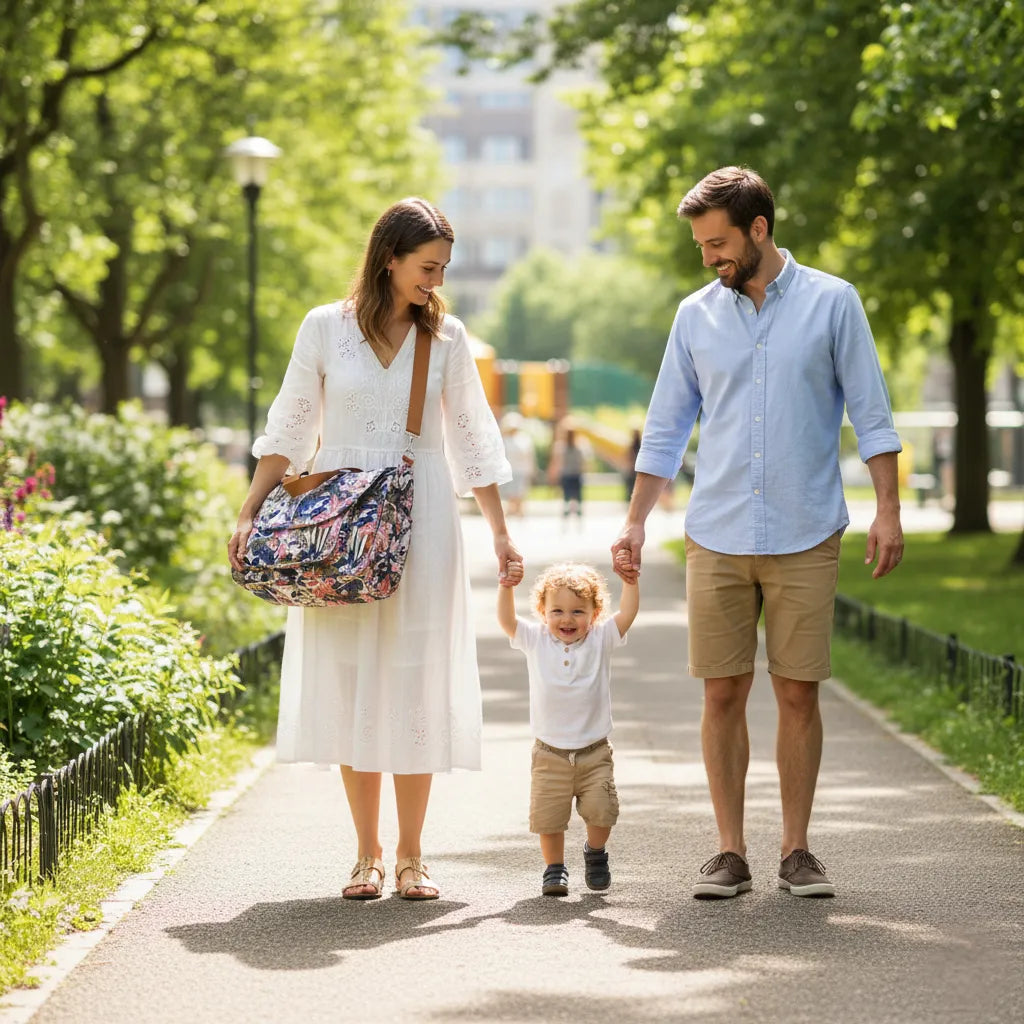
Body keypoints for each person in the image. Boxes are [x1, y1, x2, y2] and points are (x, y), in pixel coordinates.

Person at [611, 166, 904, 900]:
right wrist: (637, 521)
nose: (709, 257)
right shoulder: (694, 316)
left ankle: (797, 850)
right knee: (721, 695)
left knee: (799, 693)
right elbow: (666, 427)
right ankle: (729, 851)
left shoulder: (834, 304)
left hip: (807, 530)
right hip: (716, 532)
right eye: (702, 246)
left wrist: (889, 509)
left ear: (759, 230)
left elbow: (872, 414)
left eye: (717, 243)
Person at [228, 198, 522, 901]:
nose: (436, 280)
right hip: (338, 530)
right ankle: (366, 855)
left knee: (416, 677)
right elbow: (289, 428)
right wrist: (248, 513)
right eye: (427, 266)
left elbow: (474, 440)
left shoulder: (445, 337)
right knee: (354, 679)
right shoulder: (324, 329)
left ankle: (415, 856)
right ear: (388, 257)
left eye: (443, 269)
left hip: (422, 523)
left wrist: (502, 534)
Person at [497, 558, 639, 897]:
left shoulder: (602, 638)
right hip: (550, 754)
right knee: (549, 819)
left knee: (602, 813)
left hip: (594, 752)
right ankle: (554, 868)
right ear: (543, 612)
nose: (567, 619)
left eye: (578, 611)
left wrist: (631, 581)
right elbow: (506, 620)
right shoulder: (534, 639)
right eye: (557, 611)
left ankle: (595, 852)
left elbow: (629, 613)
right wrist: (506, 586)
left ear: (595, 613)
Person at [499, 412, 536, 517]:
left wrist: (532, 470)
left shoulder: (525, 439)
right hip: (509, 471)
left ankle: (519, 513)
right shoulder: (504, 440)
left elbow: (529, 456)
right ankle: (511, 511)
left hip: (521, 471)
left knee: (520, 493)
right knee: (510, 494)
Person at [547, 424, 586, 523]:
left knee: (567, 498)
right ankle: (577, 517)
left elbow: (556, 462)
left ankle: (567, 517)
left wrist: (553, 474)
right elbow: (583, 462)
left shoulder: (560, 447)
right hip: (576, 474)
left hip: (567, 475)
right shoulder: (579, 446)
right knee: (577, 498)